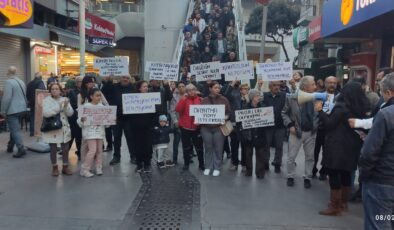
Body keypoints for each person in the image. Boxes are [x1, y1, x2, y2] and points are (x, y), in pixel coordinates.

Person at [315, 82, 370, 216]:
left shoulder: (341, 107)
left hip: (337, 146)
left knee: (334, 173)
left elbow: (329, 124)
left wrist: (320, 111)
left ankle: (334, 206)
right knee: (346, 173)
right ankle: (343, 203)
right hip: (352, 146)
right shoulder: (361, 107)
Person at [359, 73, 394, 230]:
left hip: (382, 181)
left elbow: (369, 152)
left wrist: (365, 175)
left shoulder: (386, 114)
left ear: (389, 92)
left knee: (379, 222)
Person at [282, 76, 319, 188]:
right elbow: (284, 113)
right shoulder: (292, 98)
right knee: (291, 156)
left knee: (310, 157)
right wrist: (290, 125)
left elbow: (318, 114)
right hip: (296, 131)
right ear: (306, 87)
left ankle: (307, 177)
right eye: (313, 84)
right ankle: (290, 176)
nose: (315, 86)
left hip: (310, 132)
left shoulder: (316, 98)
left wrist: (315, 126)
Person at [42, 83, 74, 176]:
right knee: (53, 148)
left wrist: (66, 106)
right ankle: (54, 167)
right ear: (50, 91)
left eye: (56, 89)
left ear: (60, 90)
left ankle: (65, 166)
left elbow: (70, 113)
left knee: (65, 148)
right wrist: (59, 106)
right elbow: (46, 113)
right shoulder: (46, 100)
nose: (55, 90)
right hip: (52, 127)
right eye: (52, 89)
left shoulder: (65, 100)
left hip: (63, 127)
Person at [200, 81, 231, 176]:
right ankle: (208, 166)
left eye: (218, 88)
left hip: (219, 128)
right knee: (208, 147)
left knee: (218, 148)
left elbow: (229, 112)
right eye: (215, 87)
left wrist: (226, 117)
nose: (218, 89)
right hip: (206, 128)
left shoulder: (224, 99)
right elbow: (199, 113)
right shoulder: (204, 100)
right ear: (210, 89)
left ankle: (217, 167)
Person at [78, 88, 109, 178]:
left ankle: (98, 167)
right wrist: (82, 120)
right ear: (91, 96)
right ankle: (85, 169)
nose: (99, 97)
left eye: (100, 95)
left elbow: (106, 123)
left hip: (99, 132)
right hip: (90, 132)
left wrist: (109, 121)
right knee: (92, 150)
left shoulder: (102, 107)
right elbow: (79, 120)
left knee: (99, 150)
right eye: (97, 95)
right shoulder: (86, 106)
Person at [313, 76, 339, 180]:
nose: (332, 85)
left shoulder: (340, 96)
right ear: (325, 83)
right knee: (314, 151)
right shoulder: (318, 94)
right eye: (329, 82)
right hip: (318, 127)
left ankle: (324, 170)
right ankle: (313, 169)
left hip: (331, 128)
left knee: (327, 151)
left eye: (334, 83)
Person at [175, 83, 205, 171]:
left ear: (196, 90)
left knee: (199, 148)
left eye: (193, 89)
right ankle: (186, 164)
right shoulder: (184, 99)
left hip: (197, 128)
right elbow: (178, 109)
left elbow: (204, 113)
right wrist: (183, 99)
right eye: (189, 90)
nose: (191, 91)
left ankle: (201, 164)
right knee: (186, 147)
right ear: (186, 91)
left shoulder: (200, 99)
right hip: (185, 128)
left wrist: (201, 122)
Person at [238, 89, 267, 179]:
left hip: (260, 134)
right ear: (252, 97)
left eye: (259, 95)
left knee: (260, 154)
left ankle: (260, 172)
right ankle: (248, 171)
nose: (259, 97)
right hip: (248, 135)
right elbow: (240, 122)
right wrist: (242, 134)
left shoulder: (263, 106)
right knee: (248, 154)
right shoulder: (245, 107)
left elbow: (267, 120)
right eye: (257, 96)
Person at [108, 75, 136, 165]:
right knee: (116, 138)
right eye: (124, 77)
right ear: (120, 78)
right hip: (116, 117)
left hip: (129, 118)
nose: (125, 79)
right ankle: (116, 157)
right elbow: (105, 95)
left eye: (127, 78)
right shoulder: (113, 87)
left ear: (130, 79)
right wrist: (107, 81)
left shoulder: (133, 88)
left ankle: (133, 156)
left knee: (130, 137)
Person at [0, 66, 27, 158]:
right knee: (14, 128)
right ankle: (10, 146)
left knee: (15, 130)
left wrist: (3, 110)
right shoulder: (21, 81)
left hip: (13, 110)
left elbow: (6, 98)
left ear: (8, 72)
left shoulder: (8, 82)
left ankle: (20, 148)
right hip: (22, 109)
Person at [130, 81, 155, 173]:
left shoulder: (151, 98)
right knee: (137, 145)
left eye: (147, 86)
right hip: (136, 126)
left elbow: (155, 112)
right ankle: (139, 164)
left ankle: (147, 163)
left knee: (147, 145)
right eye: (144, 86)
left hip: (148, 126)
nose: (146, 88)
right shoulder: (132, 98)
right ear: (139, 88)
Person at [263, 81, 286, 173]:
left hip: (280, 125)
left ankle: (277, 163)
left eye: (278, 85)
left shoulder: (284, 96)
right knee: (266, 145)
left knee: (279, 146)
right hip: (267, 126)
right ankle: (265, 163)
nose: (277, 87)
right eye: (274, 85)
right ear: (269, 87)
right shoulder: (264, 96)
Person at [223, 80, 242, 171]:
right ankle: (234, 161)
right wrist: (231, 84)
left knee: (244, 142)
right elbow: (225, 96)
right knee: (234, 142)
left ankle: (244, 163)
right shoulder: (228, 88)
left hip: (243, 119)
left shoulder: (241, 88)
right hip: (233, 119)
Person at [170, 82, 186, 164]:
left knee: (187, 142)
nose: (181, 88)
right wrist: (175, 121)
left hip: (187, 123)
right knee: (176, 142)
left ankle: (187, 158)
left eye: (183, 86)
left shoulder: (189, 96)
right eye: (179, 86)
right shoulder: (174, 98)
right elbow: (172, 111)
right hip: (178, 123)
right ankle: (175, 158)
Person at [26, 72, 46, 136]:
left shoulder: (30, 83)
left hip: (31, 103)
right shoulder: (40, 82)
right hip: (38, 102)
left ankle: (32, 132)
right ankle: (38, 131)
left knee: (32, 117)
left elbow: (27, 94)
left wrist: (30, 100)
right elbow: (42, 92)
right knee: (39, 117)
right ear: (40, 77)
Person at [68, 76, 83, 160]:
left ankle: (80, 151)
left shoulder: (86, 91)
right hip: (74, 116)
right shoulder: (72, 92)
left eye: (82, 81)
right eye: (79, 81)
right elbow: (72, 104)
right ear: (76, 83)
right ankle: (66, 151)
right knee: (72, 135)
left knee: (79, 136)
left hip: (82, 116)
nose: (81, 83)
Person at [100, 75, 114, 152]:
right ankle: (109, 145)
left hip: (107, 109)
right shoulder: (105, 85)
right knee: (108, 129)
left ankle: (108, 145)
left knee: (107, 129)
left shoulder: (106, 86)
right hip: (108, 108)